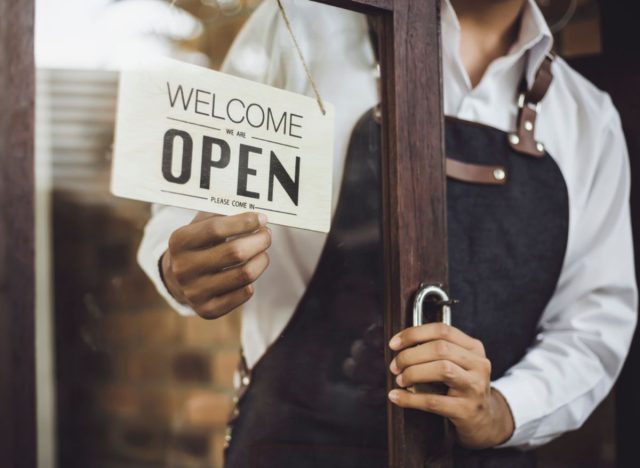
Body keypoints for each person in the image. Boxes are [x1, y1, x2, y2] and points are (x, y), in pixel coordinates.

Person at [137, 0, 638, 466]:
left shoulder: (588, 118)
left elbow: (594, 324)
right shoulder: (303, 22)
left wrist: (501, 410)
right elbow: (186, 209)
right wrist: (179, 264)